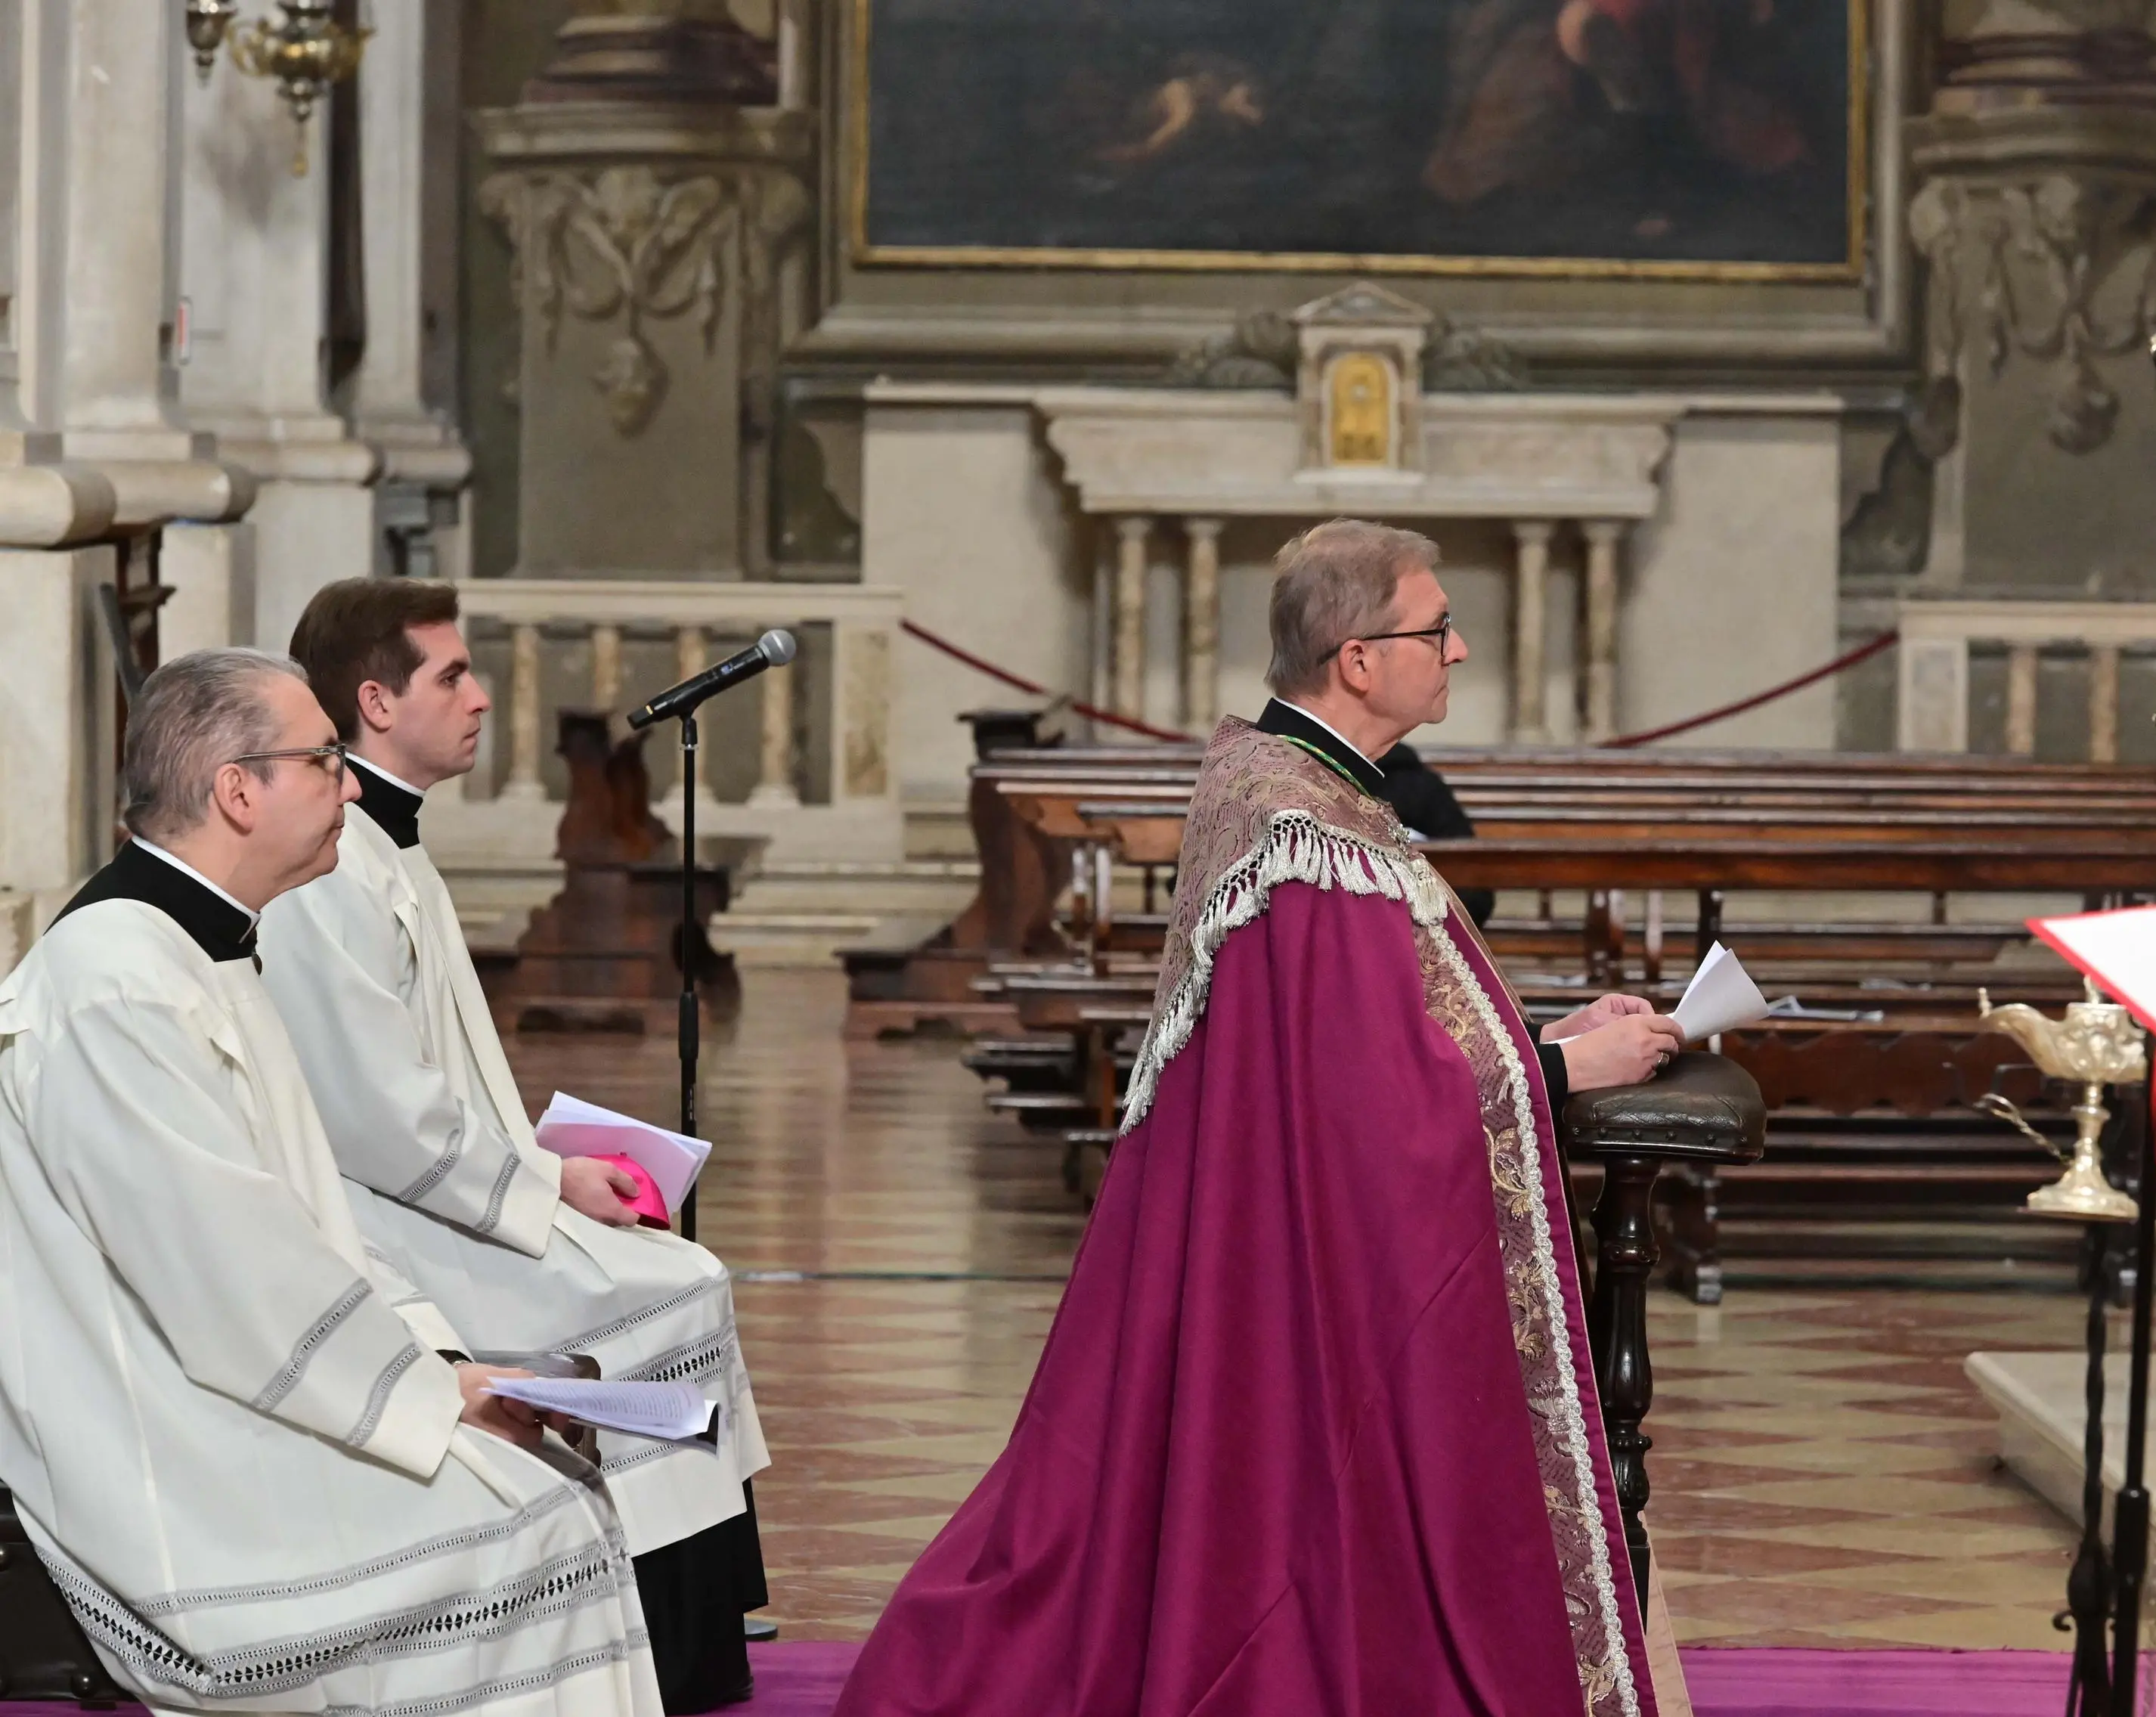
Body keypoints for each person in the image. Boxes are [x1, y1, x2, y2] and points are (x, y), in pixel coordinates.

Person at [835, 519, 1691, 1717]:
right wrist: (1562, 1072)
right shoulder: (1309, 829)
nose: (1456, 646)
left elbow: (1366, 1040)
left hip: (1254, 1228)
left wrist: (1541, 1041)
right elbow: (1374, 1117)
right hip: (1294, 1260)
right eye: (1433, 626)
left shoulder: (1289, 782)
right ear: (1355, 656)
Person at [0, 649, 658, 1717]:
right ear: (237, 790)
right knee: (528, 1539)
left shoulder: (200, 952)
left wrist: (445, 1361)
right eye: (323, 759)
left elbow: (304, 1225)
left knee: (563, 1498)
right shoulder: (116, 986)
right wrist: (433, 1392)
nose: (351, 784)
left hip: (244, 1387)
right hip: (169, 1451)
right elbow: (229, 1280)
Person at [258, 581, 770, 1714]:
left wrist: (555, 1154)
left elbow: (426, 1080)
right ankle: (659, 1633)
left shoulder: (386, 847)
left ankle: (682, 1621)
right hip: (384, 1218)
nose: (484, 697)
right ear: (377, 700)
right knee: (667, 1288)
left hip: (443, 1183)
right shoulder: (334, 869)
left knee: (676, 1272)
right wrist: (546, 1181)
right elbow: (376, 1114)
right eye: (454, 675)